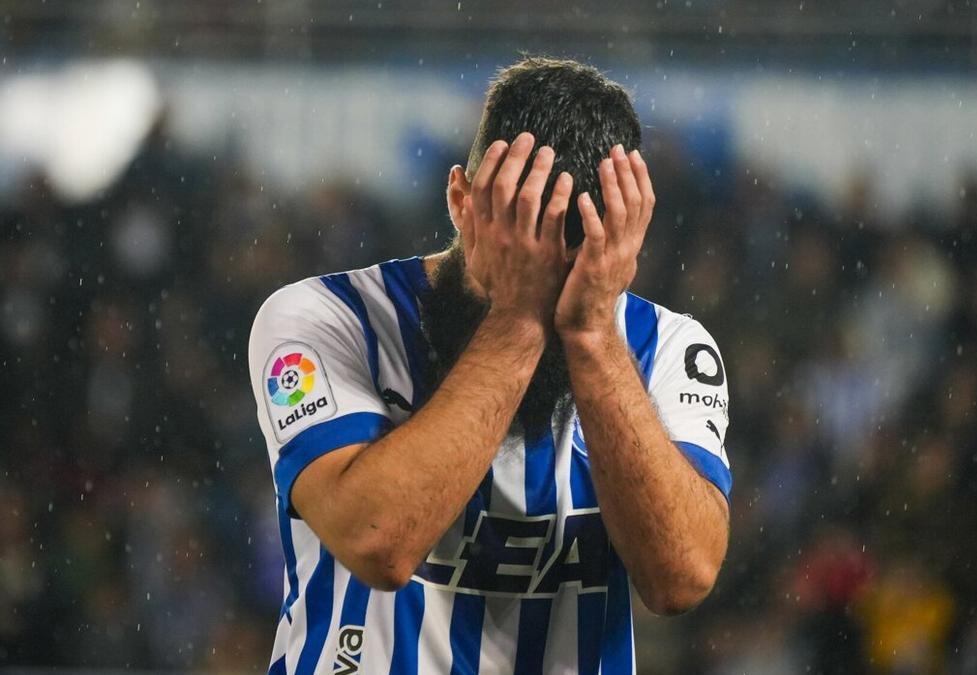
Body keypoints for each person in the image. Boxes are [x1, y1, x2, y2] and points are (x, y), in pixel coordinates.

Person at [247, 57, 732, 674]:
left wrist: (589, 333)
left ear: (622, 238)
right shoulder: (320, 318)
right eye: (512, 250)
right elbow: (378, 543)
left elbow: (681, 578)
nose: (538, 279)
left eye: (567, 262)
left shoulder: (671, 348)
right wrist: (520, 316)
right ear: (460, 201)